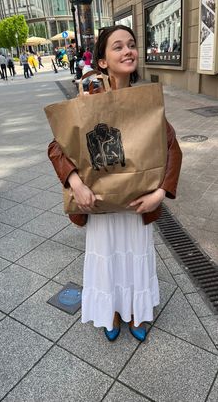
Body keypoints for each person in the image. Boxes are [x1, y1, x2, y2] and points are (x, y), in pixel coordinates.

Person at [48, 25, 182, 342]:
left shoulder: (145, 100)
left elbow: (172, 147)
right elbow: (57, 147)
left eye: (131, 45)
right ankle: (113, 311)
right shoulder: (90, 96)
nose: (127, 51)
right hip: (100, 203)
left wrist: (160, 193)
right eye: (118, 46)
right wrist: (76, 183)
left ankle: (135, 311)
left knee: (135, 256)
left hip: (137, 205)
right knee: (108, 259)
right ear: (103, 60)